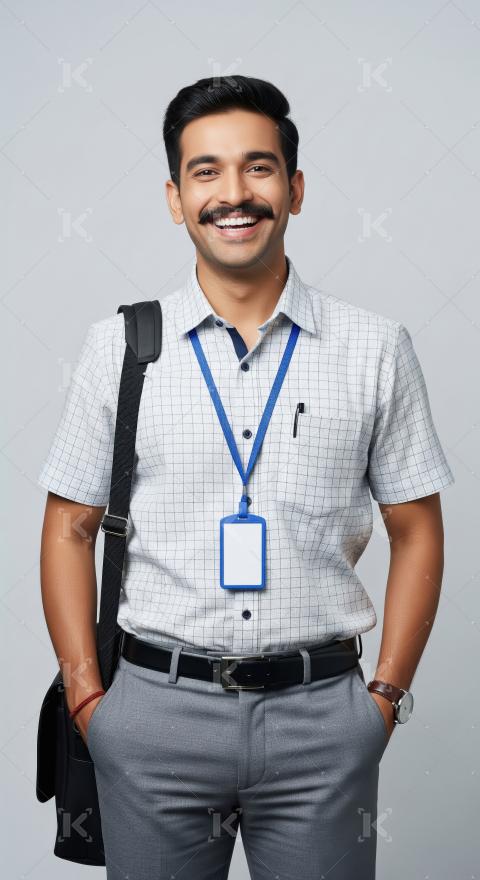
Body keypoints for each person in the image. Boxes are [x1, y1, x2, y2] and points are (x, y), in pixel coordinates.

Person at [38, 75, 455, 880]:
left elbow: (417, 528)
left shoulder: (375, 348)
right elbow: (67, 527)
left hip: (324, 720)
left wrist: (384, 702)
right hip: (154, 714)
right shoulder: (118, 348)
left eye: (259, 168)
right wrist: (92, 704)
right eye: (207, 171)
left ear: (295, 189)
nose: (235, 193)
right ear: (174, 196)